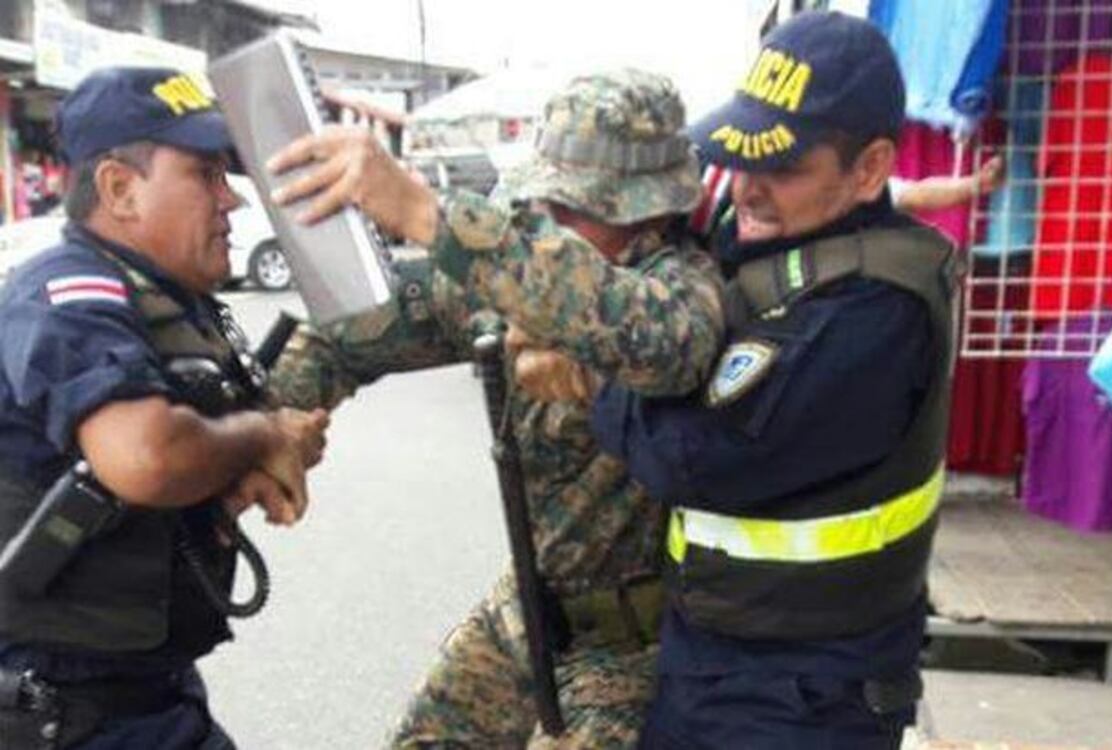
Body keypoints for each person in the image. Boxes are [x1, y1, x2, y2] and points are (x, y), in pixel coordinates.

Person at [266, 69, 724, 747]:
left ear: (648, 212)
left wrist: (426, 212)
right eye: (544, 206)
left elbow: (656, 340)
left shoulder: (685, 285)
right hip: (531, 611)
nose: (548, 225)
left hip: (634, 652)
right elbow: (354, 334)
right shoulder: (519, 273)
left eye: (574, 211)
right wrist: (270, 427)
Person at [582, 12, 961, 748]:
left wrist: (601, 372)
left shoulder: (871, 311)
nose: (749, 190)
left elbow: (691, 458)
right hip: (722, 658)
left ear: (871, 169)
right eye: (741, 158)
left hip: (806, 694)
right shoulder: (788, 240)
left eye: (782, 167)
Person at [0, 66, 329, 749]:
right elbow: (147, 458)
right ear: (120, 189)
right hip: (66, 712)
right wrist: (260, 436)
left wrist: (258, 457)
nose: (231, 200)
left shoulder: (166, 302)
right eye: (205, 175)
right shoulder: (69, 294)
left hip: (146, 692)